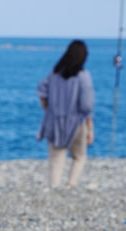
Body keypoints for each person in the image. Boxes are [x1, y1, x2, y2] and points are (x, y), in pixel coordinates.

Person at [37, 40, 95, 189]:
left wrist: (48, 109)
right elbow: (87, 105)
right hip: (76, 122)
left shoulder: (54, 73)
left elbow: (42, 91)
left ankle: (54, 186)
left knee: (56, 157)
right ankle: (70, 185)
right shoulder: (83, 76)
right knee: (79, 156)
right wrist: (90, 127)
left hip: (54, 121)